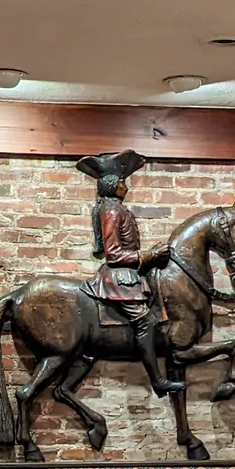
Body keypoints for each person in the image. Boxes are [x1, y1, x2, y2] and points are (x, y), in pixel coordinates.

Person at [79, 151, 184, 397]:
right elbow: (113, 255)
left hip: (129, 276)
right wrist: (149, 255)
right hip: (119, 278)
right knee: (145, 322)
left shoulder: (113, 207)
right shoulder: (112, 210)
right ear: (114, 185)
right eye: (123, 182)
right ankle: (157, 381)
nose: (126, 187)